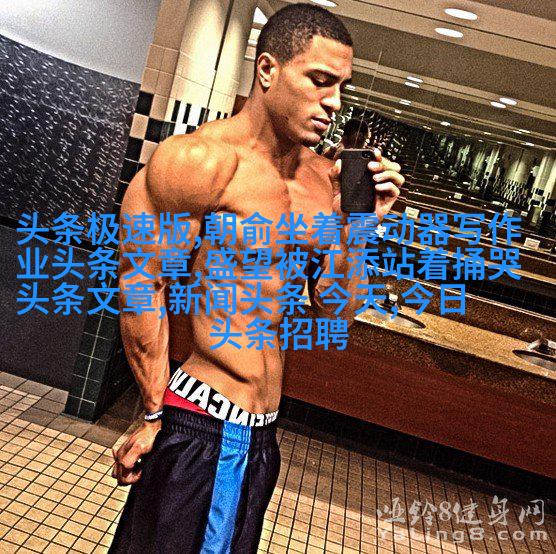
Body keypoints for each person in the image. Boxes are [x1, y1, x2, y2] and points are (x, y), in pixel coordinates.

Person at [110, 3, 404, 553]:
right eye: (320, 81)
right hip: (202, 421)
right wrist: (151, 414)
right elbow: (141, 286)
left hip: (262, 436)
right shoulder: (201, 162)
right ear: (268, 70)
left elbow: (336, 308)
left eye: (341, 87)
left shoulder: (323, 182)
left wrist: (361, 227)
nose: (334, 103)